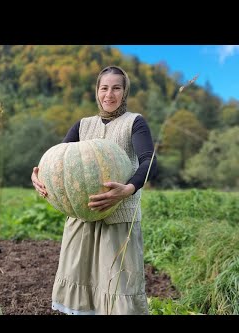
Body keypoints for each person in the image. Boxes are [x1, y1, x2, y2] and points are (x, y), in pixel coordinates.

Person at [31, 65, 157, 315]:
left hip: (118, 219)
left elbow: (149, 161)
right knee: (81, 287)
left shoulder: (134, 123)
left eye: (116, 88)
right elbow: (57, 164)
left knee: (117, 286)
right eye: (104, 88)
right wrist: (37, 177)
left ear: (125, 91)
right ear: (97, 91)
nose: (109, 95)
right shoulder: (82, 125)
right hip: (81, 219)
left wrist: (128, 189)